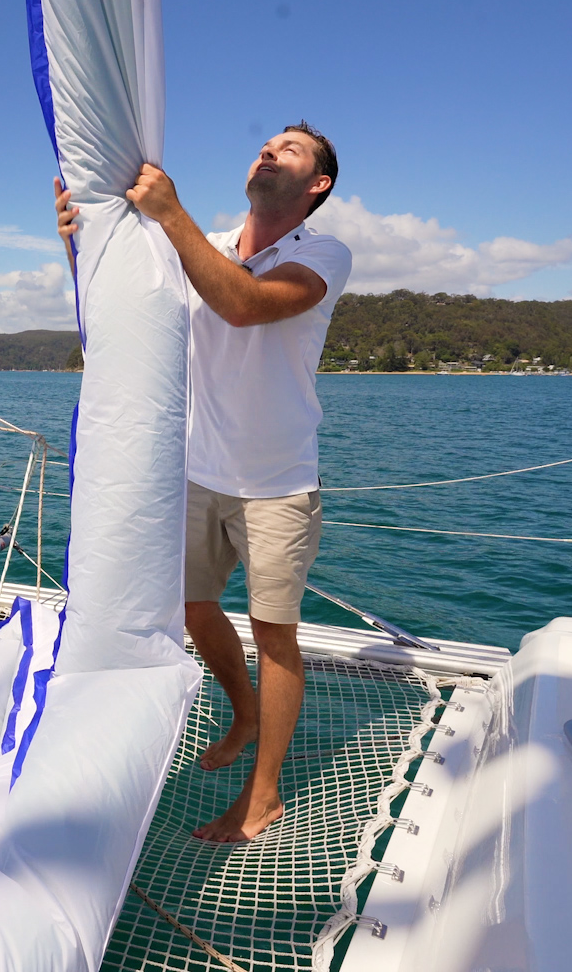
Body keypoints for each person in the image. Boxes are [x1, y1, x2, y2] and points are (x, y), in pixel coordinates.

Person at [55, 122, 351, 842]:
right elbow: (128, 298)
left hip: (277, 482)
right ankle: (243, 711)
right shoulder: (206, 245)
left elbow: (244, 306)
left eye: (290, 150)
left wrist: (170, 214)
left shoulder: (323, 254)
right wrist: (79, 240)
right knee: (191, 607)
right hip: (195, 472)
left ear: (318, 185)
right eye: (265, 144)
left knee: (274, 635)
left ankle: (265, 792)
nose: (267, 152)